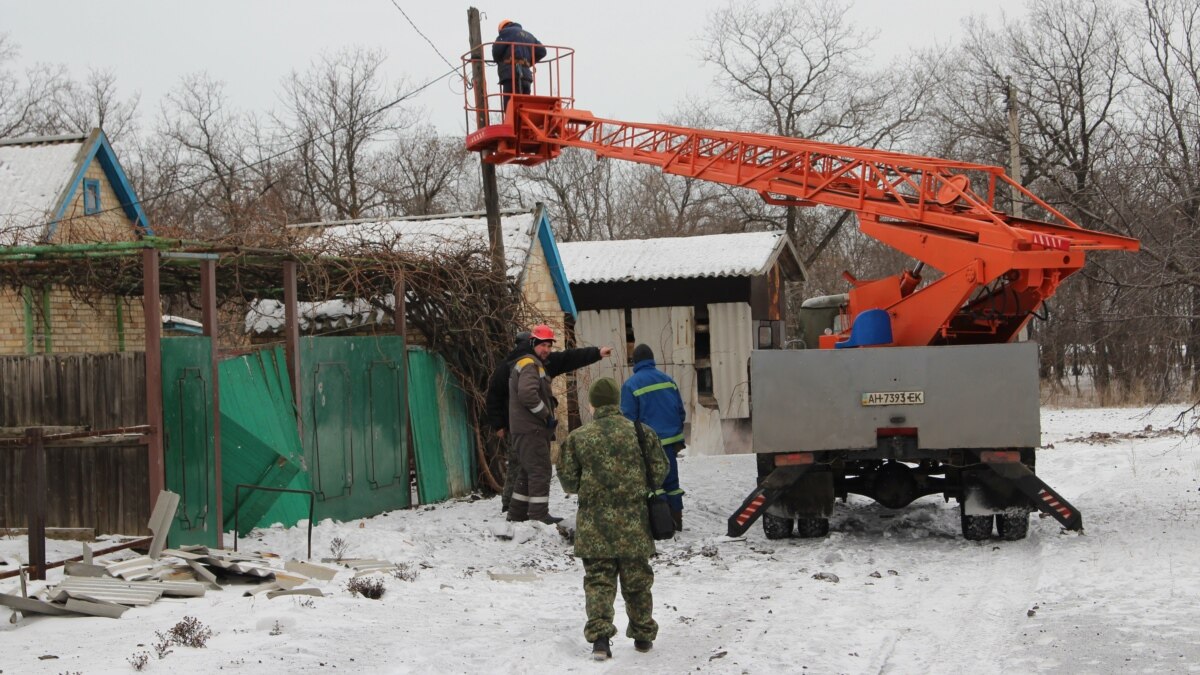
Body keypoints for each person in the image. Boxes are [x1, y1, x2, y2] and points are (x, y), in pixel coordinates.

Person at [558, 377, 668, 661]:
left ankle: (601, 641)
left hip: (595, 527)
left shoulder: (578, 438)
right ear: (617, 402)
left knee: (598, 581)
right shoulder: (641, 433)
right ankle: (643, 635)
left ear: (592, 404)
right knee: (638, 581)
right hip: (635, 525)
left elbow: (569, 483)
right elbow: (659, 472)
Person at [485, 328, 612, 513]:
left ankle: (515, 508)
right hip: (527, 425)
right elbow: (501, 395)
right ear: (531, 343)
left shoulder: (538, 362)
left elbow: (568, 358)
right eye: (542, 345)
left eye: (548, 345)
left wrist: (596, 353)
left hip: (520, 425)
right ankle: (529, 510)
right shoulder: (526, 365)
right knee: (534, 468)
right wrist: (543, 414)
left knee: (522, 467)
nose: (546, 349)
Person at [621, 344, 687, 531]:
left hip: (649, 444)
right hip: (671, 441)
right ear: (652, 359)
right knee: (672, 482)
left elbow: (628, 419)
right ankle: (677, 520)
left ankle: (661, 525)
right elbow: (681, 412)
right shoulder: (668, 380)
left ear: (635, 362)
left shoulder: (631, 385)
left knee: (653, 483)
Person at [492, 19, 546, 109]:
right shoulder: (529, 36)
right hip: (526, 76)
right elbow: (542, 51)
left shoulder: (505, 32)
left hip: (511, 75)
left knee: (509, 107)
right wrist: (528, 62)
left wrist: (501, 60)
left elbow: (496, 52)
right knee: (525, 106)